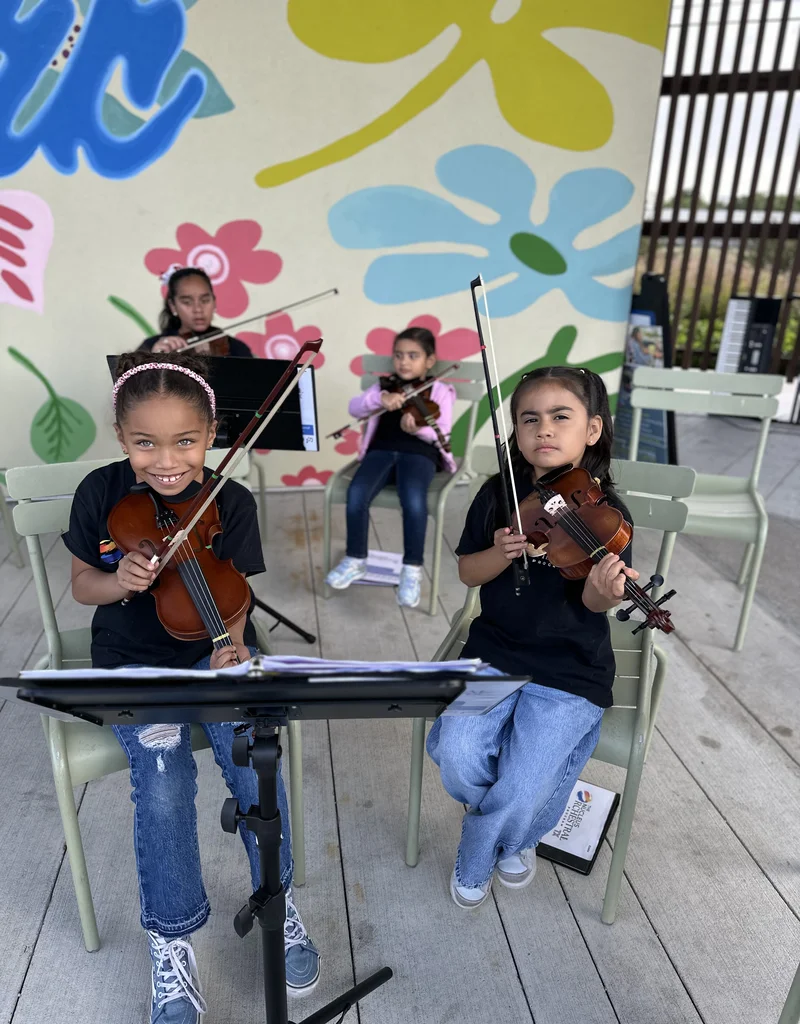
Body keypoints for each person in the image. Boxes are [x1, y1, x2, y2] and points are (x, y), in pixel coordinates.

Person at [62, 351, 319, 1022]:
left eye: (185, 441)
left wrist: (229, 641)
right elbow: (82, 583)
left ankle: (278, 898)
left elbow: (233, 591)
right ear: (122, 438)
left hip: (218, 652)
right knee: (165, 779)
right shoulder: (101, 494)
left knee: (256, 767)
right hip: (132, 664)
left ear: (212, 437)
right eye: (145, 443)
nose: (166, 459)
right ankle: (172, 946)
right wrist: (119, 581)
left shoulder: (227, 499)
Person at [426, 366, 638, 908]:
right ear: (516, 433)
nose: (544, 429)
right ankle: (516, 831)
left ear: (591, 430)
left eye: (560, 417)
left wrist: (603, 590)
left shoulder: (607, 515)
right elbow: (469, 574)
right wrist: (502, 550)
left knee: (524, 783)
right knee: (456, 749)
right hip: (494, 651)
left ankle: (487, 842)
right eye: (530, 419)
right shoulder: (499, 495)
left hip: (571, 666)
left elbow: (593, 604)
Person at [325, 327, 456, 608]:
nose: (404, 362)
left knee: (413, 501)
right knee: (357, 494)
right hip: (381, 452)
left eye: (413, 355)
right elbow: (354, 408)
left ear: (429, 361)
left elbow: (442, 434)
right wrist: (378, 400)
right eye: (398, 355)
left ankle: (411, 568)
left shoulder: (441, 391)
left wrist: (419, 429)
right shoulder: (384, 388)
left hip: (419, 455)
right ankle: (356, 558)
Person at [140, 267, 254, 358]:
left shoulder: (237, 348)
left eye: (205, 300)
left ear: (214, 302)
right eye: (187, 302)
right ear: (173, 306)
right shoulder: (153, 347)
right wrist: (153, 359)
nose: (198, 309)